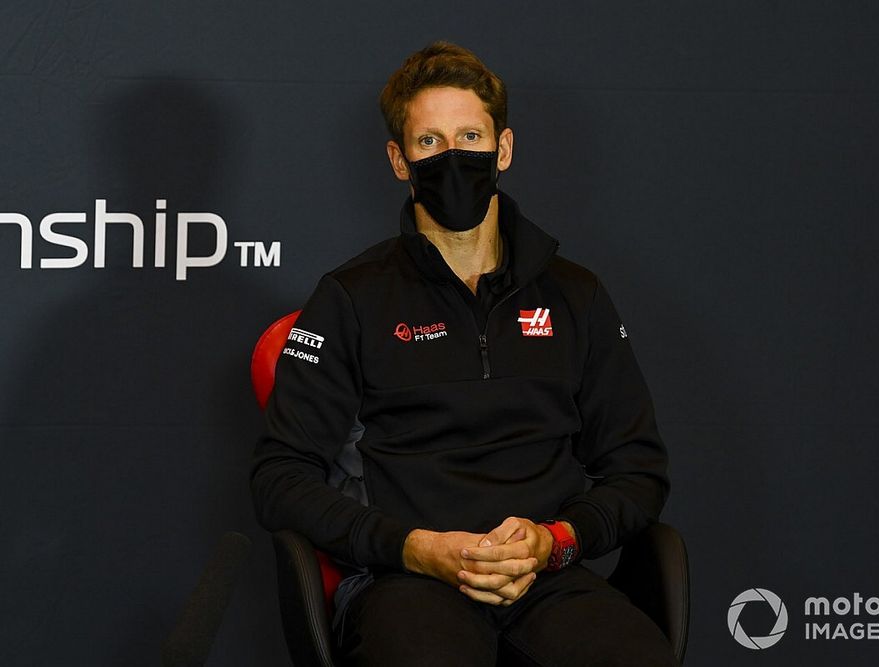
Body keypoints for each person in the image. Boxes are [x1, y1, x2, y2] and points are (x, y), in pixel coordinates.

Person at [251, 41, 677, 666]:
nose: (454, 158)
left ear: (503, 148)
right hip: (408, 584)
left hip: (546, 579)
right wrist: (415, 548)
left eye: (471, 136)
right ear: (399, 160)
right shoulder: (350, 297)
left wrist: (554, 541)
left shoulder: (576, 294)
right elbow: (279, 479)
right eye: (430, 143)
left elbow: (638, 469)